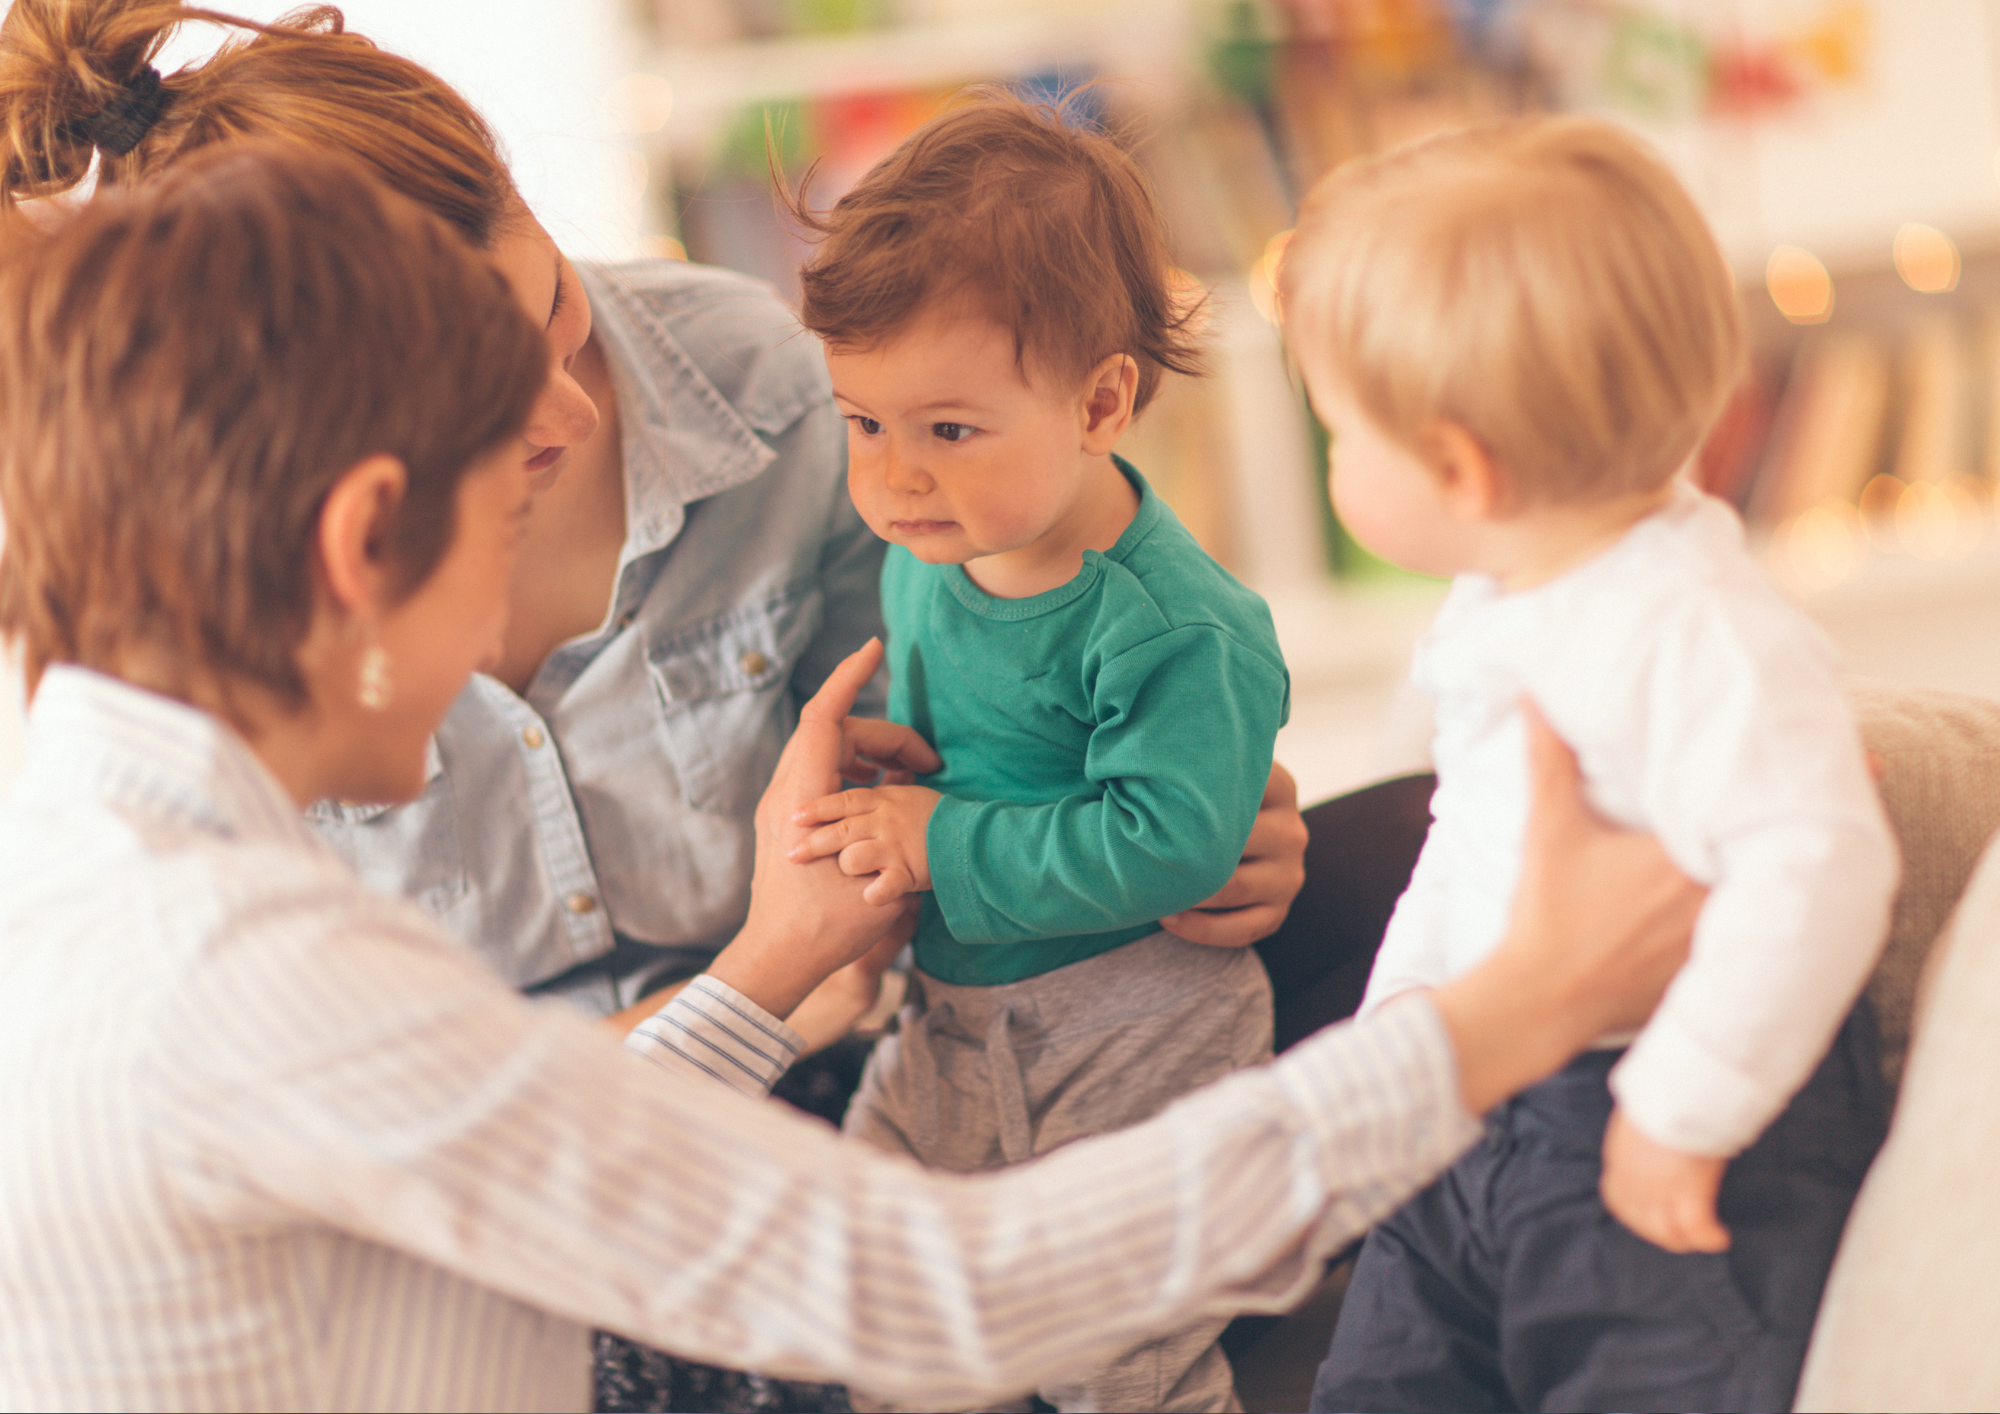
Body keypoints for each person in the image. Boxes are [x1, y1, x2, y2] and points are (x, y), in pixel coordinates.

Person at [0, 138, 1704, 1413]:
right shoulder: (245, 965)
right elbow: (928, 1291)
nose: (506, 631)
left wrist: (836, 920)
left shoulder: (111, 842)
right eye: (506, 529)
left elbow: (544, 1146)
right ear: (364, 535)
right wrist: (1494, 1022)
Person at [1279, 117, 1900, 1414]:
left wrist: (1685, 1108)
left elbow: (1821, 860)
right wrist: (1405, 1021)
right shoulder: (1510, 593)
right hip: (1481, 1099)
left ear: (1460, 465)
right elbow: (1470, 830)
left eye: (1338, 432)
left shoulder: (1698, 625)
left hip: (1651, 1113)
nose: (1335, 454)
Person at [780, 96, 1288, 1414]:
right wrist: (902, 792)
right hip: (957, 1011)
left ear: (1102, 401)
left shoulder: (1178, 625)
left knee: (1114, 1345)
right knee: (880, 1288)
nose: (895, 479)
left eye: (948, 430)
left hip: (1135, 1021)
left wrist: (940, 838)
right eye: (862, 423)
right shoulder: (924, 556)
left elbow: (1172, 837)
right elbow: (976, 759)